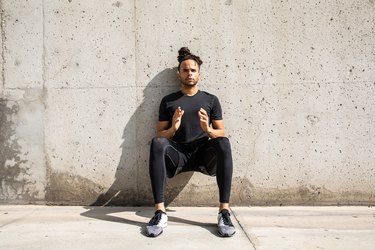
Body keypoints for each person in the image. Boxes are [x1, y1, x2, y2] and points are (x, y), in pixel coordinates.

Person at [145, 47, 235, 238]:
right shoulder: (168, 101)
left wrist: (207, 129)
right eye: (185, 70)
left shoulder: (211, 100)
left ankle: (224, 212)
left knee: (224, 142)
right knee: (157, 143)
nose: (189, 73)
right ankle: (160, 212)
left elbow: (220, 131)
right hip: (178, 155)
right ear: (179, 73)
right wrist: (173, 129)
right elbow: (161, 134)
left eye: (193, 70)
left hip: (203, 155)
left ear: (199, 75)